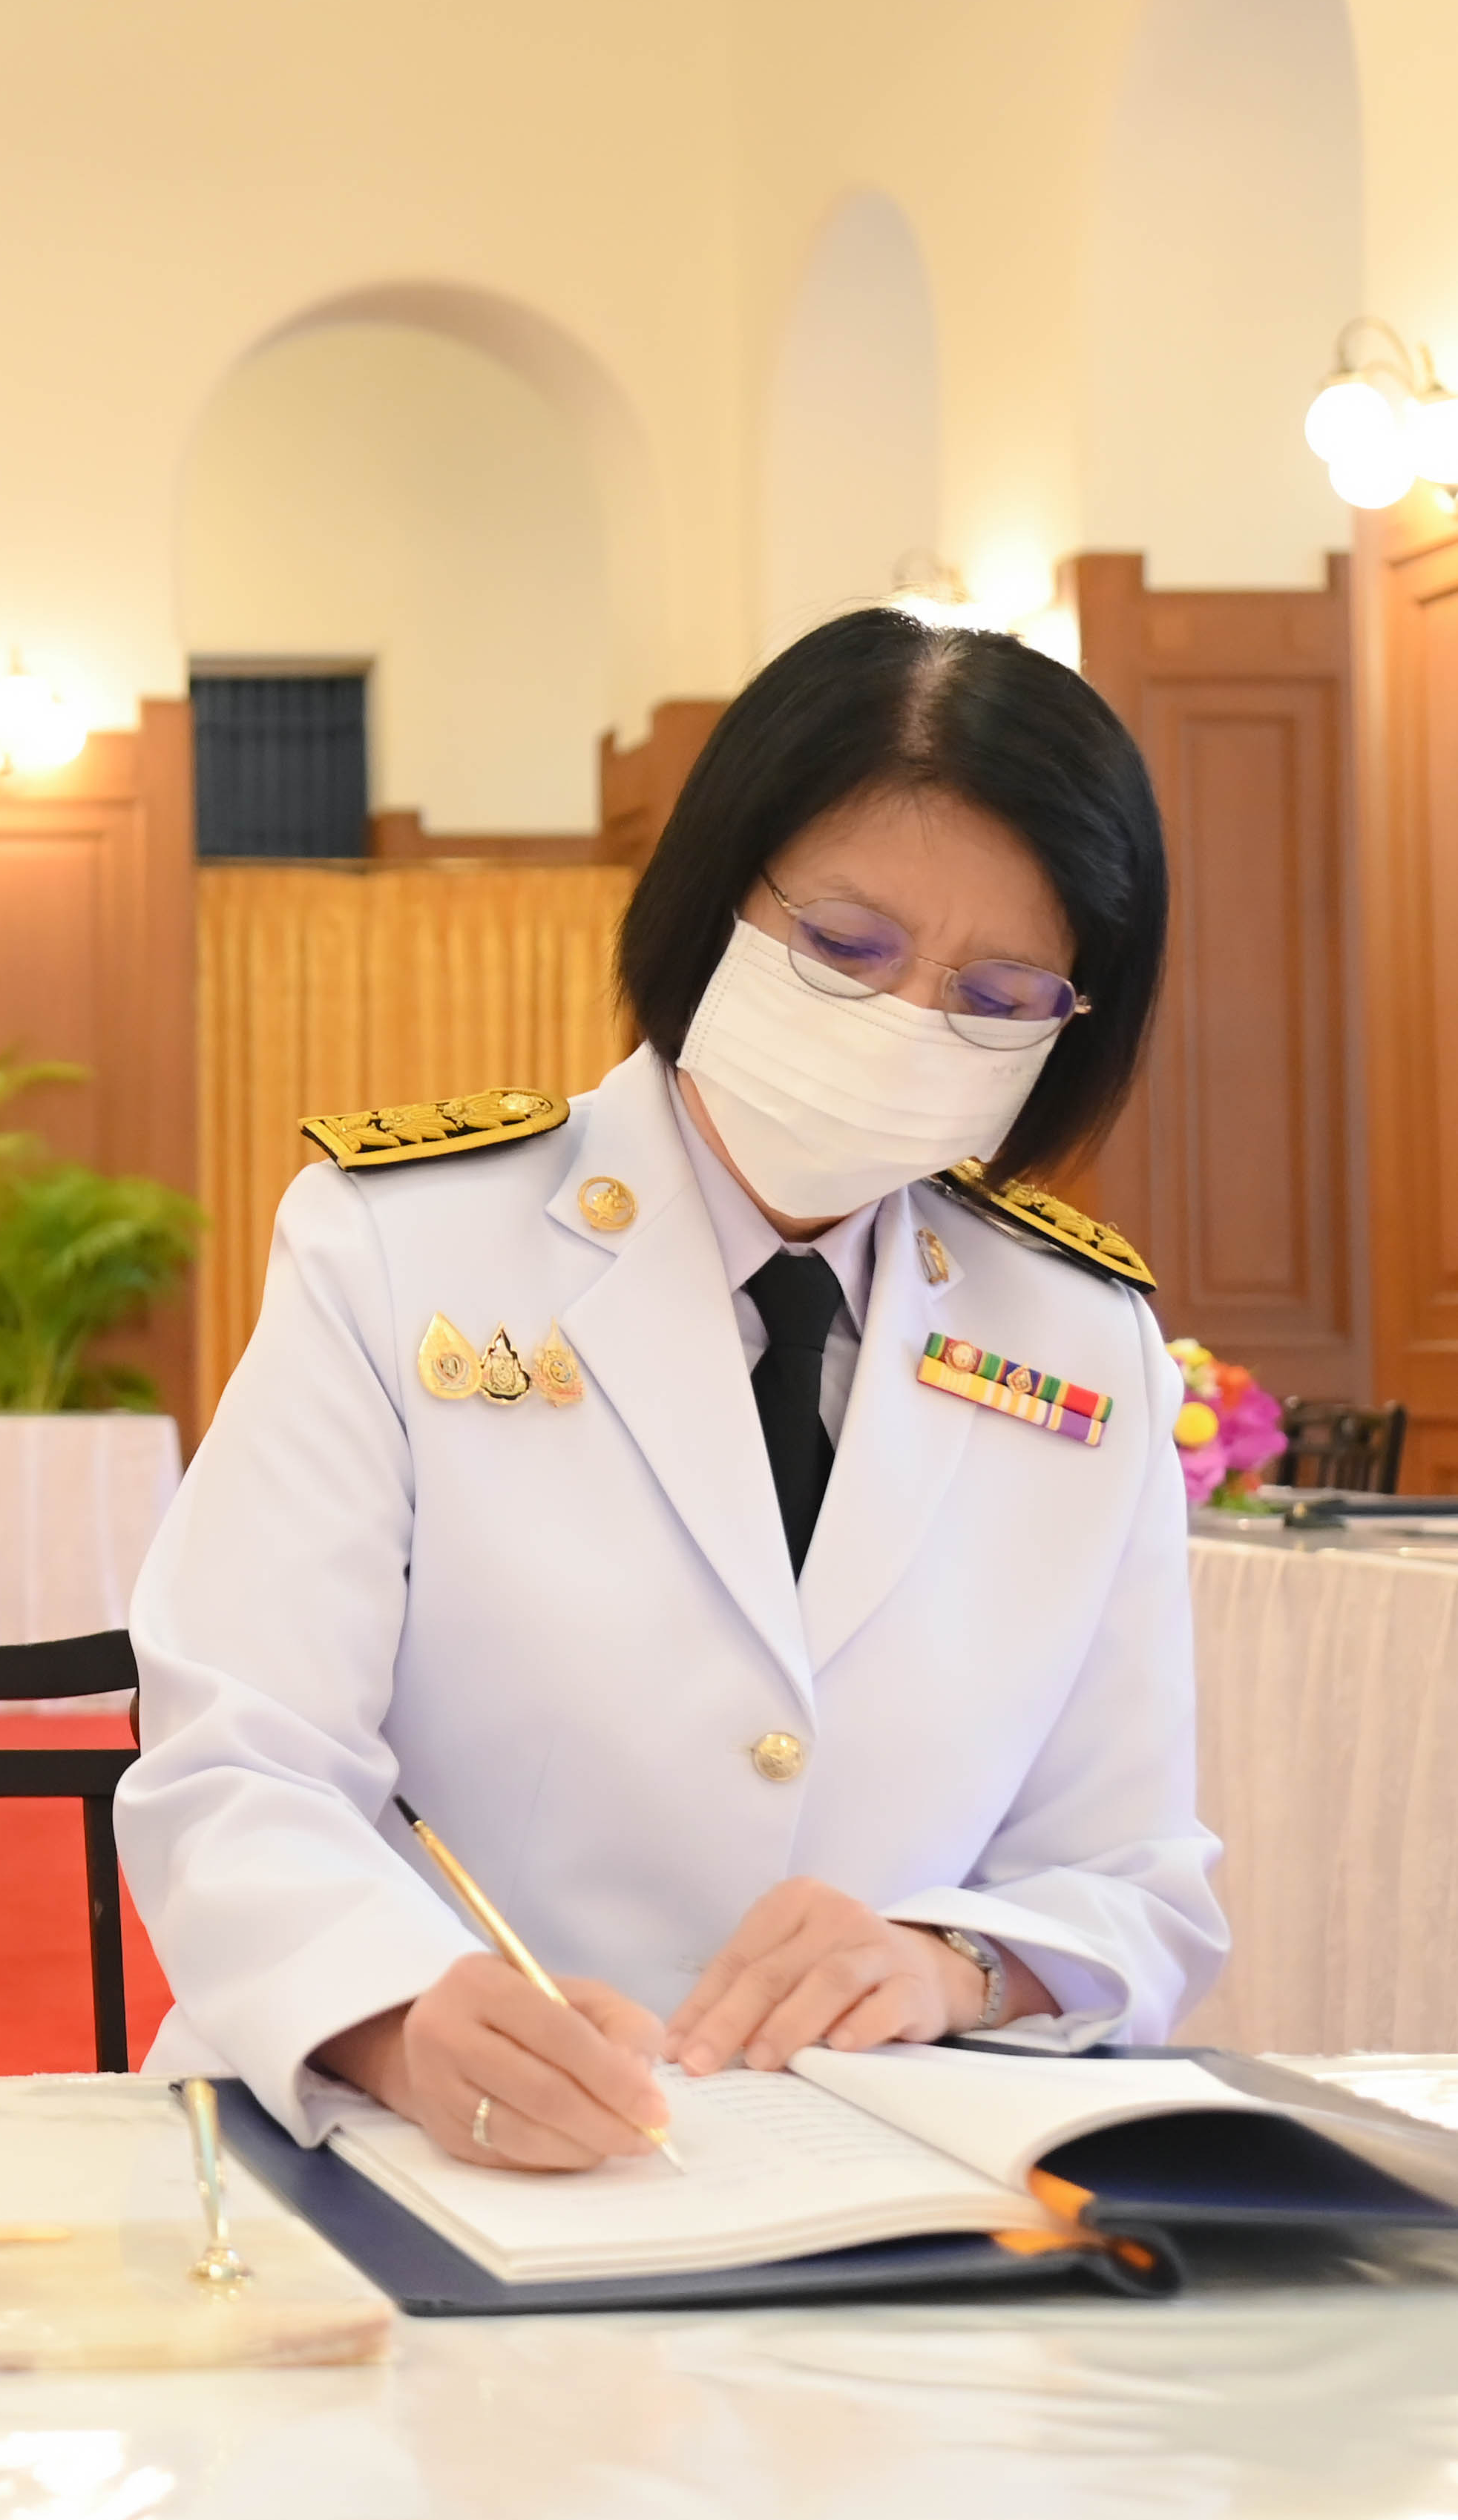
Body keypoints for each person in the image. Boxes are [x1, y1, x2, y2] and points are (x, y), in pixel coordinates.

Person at [119, 608, 1227, 2169]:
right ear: (716, 901)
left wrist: (953, 1964)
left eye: (996, 996)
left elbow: (1133, 1875)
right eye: (847, 947)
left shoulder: (1081, 1338)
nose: (907, 1023)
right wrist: (393, 2013)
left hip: (880, 2178)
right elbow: (240, 1762)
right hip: (412, 2151)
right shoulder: (404, 1240)